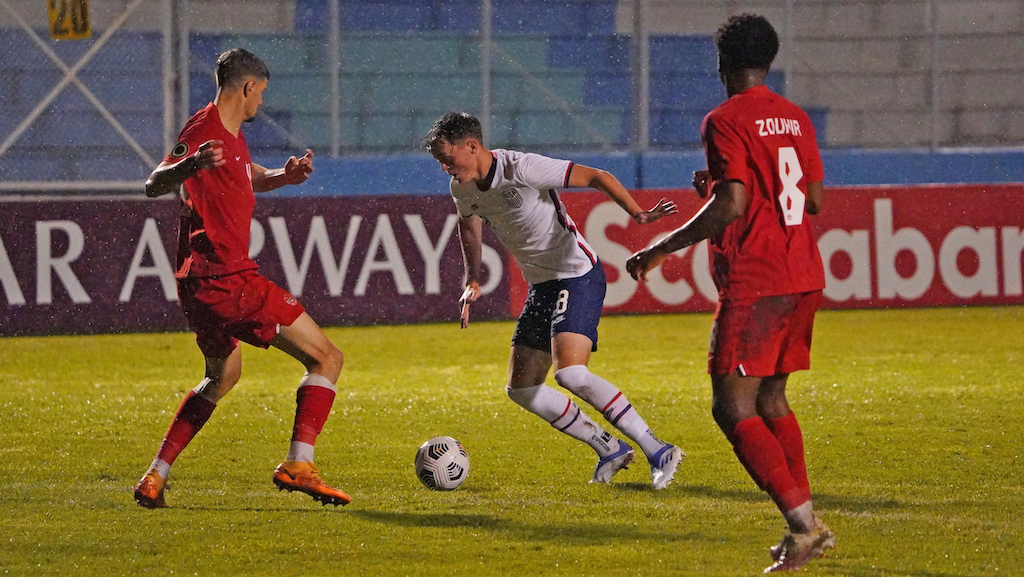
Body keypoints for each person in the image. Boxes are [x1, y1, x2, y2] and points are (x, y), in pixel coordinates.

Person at [626, 13, 835, 571]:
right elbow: (811, 200)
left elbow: (733, 205)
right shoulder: (795, 117)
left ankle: (804, 526)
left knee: (731, 406)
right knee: (771, 400)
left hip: (759, 278)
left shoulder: (724, 118)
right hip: (803, 274)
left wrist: (660, 247)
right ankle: (806, 525)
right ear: (769, 60)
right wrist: (721, 187)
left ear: (721, 65)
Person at [134, 48, 350, 508]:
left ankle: (155, 474)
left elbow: (243, 174)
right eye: (261, 94)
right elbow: (154, 182)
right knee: (327, 358)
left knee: (222, 375)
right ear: (248, 86)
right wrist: (189, 166)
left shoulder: (227, 134)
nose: (261, 104)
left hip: (199, 284)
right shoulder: (203, 131)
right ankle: (298, 465)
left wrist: (282, 176)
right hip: (227, 279)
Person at [424, 112, 685, 489]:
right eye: (439, 161)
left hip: (576, 273)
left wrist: (638, 214)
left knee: (571, 374)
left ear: (472, 146)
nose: (444, 167)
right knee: (523, 389)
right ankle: (609, 448)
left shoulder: (523, 167)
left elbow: (597, 176)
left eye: (447, 158)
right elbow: (468, 223)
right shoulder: (461, 188)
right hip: (542, 285)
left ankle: (658, 449)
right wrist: (472, 279)